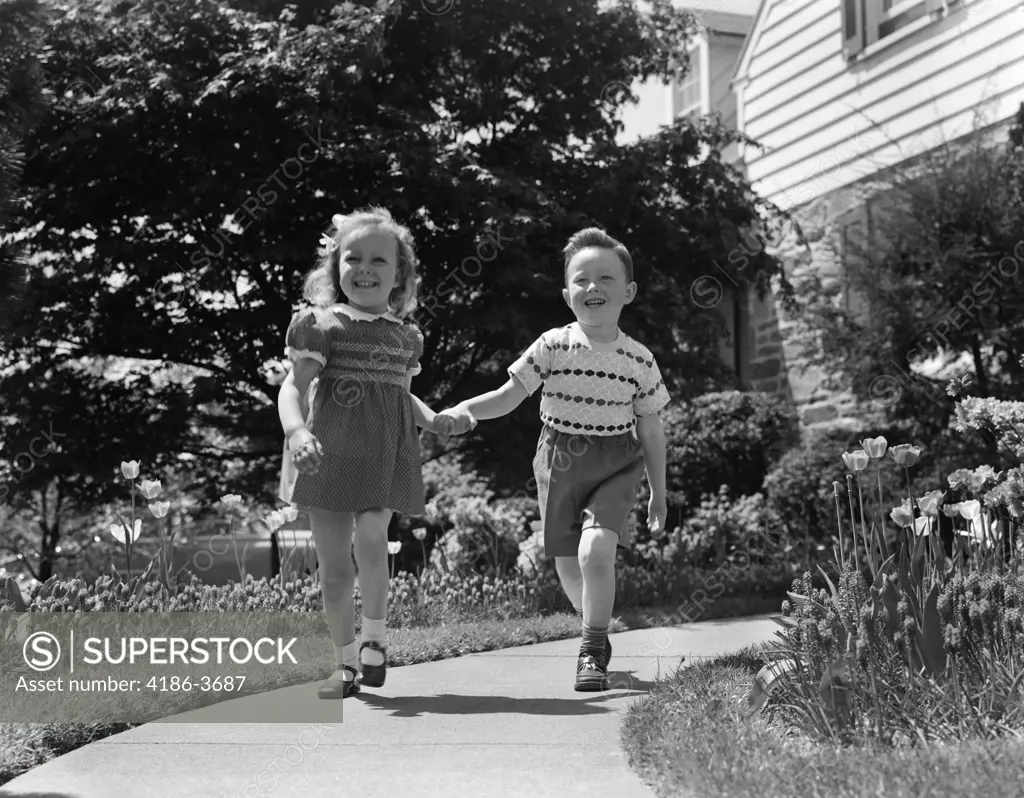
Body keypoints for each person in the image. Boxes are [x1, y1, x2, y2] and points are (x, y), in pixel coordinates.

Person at [437, 227, 669, 691]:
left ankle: (590, 649)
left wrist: (658, 493)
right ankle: (595, 629)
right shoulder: (551, 346)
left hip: (616, 463)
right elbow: (508, 397)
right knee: (567, 564)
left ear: (629, 291)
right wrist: (465, 410)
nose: (593, 288)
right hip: (559, 459)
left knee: (594, 551)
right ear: (567, 294)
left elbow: (650, 428)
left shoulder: (639, 360)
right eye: (581, 280)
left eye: (605, 278)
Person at [278, 207, 475, 699]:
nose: (364, 269)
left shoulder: (404, 336)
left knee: (372, 537)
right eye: (353, 258)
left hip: (385, 455)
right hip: (329, 457)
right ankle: (343, 663)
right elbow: (291, 388)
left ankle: (375, 641)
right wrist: (298, 431)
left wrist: (433, 419)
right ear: (335, 268)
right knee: (335, 569)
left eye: (378, 261)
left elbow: (397, 393)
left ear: (399, 274)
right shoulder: (323, 325)